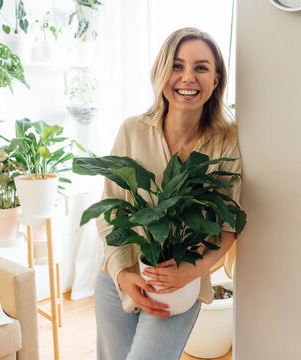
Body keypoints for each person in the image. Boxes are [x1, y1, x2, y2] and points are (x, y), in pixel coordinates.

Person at [94, 27, 242, 360]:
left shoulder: (226, 141)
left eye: (201, 67)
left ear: (216, 79)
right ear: (161, 73)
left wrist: (190, 271)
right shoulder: (132, 131)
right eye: (177, 66)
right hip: (119, 275)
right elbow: (109, 211)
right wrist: (122, 274)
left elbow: (230, 223)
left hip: (179, 285)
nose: (187, 78)